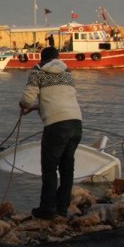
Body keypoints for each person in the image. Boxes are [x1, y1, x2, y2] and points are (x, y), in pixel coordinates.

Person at [19, 46, 83, 219]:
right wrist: (35, 108)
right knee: (67, 168)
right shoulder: (67, 72)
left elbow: (27, 98)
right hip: (76, 123)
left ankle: (47, 209)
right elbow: (59, 98)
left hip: (56, 126)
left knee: (49, 168)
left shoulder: (37, 72)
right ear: (58, 58)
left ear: (42, 59)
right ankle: (62, 208)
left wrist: (24, 105)